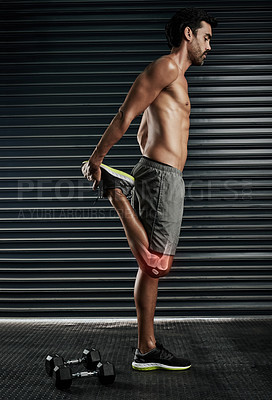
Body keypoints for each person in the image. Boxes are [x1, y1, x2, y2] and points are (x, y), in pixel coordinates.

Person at [82, 7, 217, 371]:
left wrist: (149, 163)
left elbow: (145, 129)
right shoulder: (167, 68)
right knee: (155, 264)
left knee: (151, 267)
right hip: (161, 177)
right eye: (206, 38)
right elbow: (126, 115)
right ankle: (114, 190)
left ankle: (146, 348)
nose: (210, 46)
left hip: (164, 177)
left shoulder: (178, 78)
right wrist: (97, 160)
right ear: (188, 34)